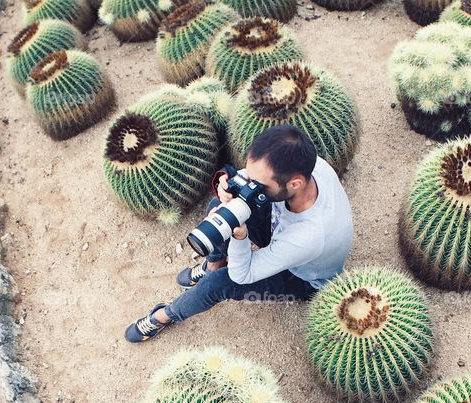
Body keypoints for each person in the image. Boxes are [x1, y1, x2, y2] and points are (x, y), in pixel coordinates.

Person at [124, 124, 354, 343]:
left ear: (295, 184)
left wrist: (240, 236)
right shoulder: (311, 166)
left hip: (304, 278)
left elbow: (242, 275)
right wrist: (227, 182)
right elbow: (248, 176)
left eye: (257, 184)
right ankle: (213, 263)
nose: (249, 183)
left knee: (218, 284)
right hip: (282, 234)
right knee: (219, 207)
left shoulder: (309, 235)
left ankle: (166, 315)